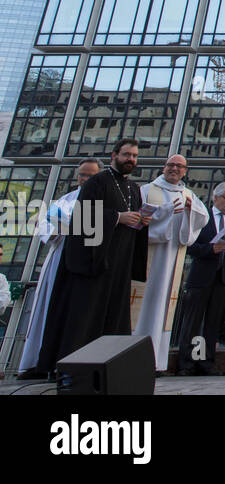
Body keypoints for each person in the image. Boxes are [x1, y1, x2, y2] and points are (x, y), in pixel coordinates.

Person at [38, 138, 151, 373]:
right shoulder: (97, 182)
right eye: (126, 155)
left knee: (115, 319)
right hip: (94, 263)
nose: (131, 159)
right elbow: (83, 218)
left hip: (119, 266)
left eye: (134, 156)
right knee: (83, 319)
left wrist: (142, 221)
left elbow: (131, 221)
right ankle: (73, 370)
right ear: (114, 155)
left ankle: (111, 369)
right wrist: (118, 218)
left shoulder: (134, 188)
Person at [18, 158, 100, 378]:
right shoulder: (66, 198)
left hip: (84, 262)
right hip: (58, 258)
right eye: (82, 174)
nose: (85, 179)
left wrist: (71, 225)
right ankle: (38, 361)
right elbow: (46, 223)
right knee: (46, 309)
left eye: (91, 176)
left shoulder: (102, 200)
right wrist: (55, 229)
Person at [131, 155, 209, 372]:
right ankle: (133, 361)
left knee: (165, 310)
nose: (174, 169)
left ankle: (156, 362)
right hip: (148, 257)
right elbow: (137, 217)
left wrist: (190, 209)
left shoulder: (188, 194)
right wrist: (166, 211)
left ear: (185, 171)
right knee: (141, 309)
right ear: (164, 167)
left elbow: (203, 218)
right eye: (171, 165)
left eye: (179, 166)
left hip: (173, 258)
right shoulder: (146, 190)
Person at [176, 182, 225, 375]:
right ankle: (187, 364)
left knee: (212, 323)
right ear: (215, 198)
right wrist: (211, 249)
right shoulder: (202, 217)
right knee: (193, 323)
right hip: (201, 277)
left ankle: (206, 362)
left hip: (222, 278)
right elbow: (189, 245)